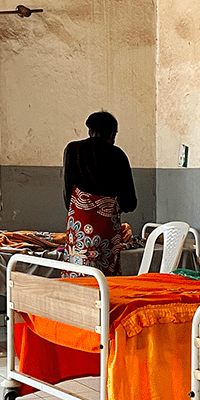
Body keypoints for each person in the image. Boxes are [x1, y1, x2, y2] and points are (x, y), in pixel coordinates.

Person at [62, 111, 137, 276]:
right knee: (103, 274)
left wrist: (83, 209)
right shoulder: (118, 155)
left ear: (89, 130)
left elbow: (68, 195)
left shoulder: (72, 150)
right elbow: (130, 201)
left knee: (77, 268)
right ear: (112, 133)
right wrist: (110, 207)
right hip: (105, 228)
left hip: (78, 224)